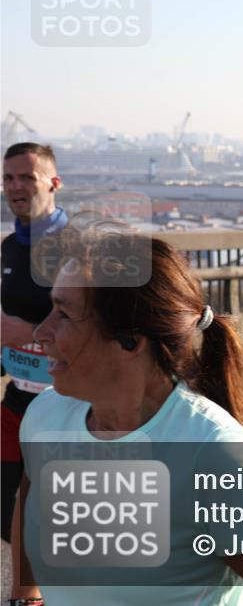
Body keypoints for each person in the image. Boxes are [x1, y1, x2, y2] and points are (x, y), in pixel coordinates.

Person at [12, 227, 243, 605]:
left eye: (64, 314)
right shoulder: (45, 416)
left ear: (130, 341)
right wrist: (24, 598)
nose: (41, 332)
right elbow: (29, 504)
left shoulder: (213, 453)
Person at [1, 143, 68, 544]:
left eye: (27, 177)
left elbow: (101, 330)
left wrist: (29, 334)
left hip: (68, 404)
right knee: (8, 514)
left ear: (54, 183)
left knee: (58, 517)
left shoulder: (79, 248)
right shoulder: (10, 247)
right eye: (8, 178)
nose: (15, 186)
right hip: (17, 400)